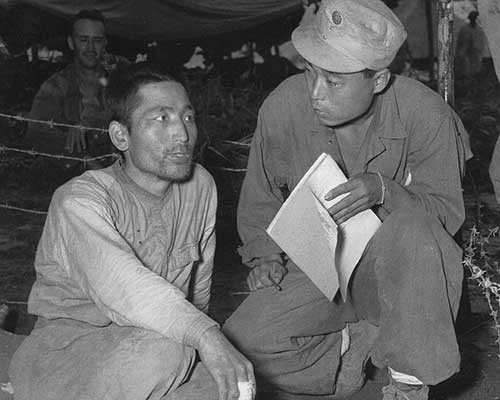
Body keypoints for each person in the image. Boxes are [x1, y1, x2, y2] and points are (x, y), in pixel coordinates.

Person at [222, 0, 471, 399]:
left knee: (412, 225)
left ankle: (409, 382)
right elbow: (261, 194)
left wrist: (386, 190)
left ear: (378, 80)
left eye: (334, 82)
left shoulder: (427, 116)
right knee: (238, 346)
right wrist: (266, 257)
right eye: (309, 72)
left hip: (393, 276)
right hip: (318, 271)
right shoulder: (284, 105)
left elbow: (443, 218)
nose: (316, 92)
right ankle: (354, 348)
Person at [9, 63, 255, 400]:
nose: (183, 134)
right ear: (121, 136)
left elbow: (199, 291)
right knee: (166, 354)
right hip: (67, 352)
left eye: (187, 117)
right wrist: (205, 336)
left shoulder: (200, 186)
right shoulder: (80, 201)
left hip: (157, 346)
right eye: (162, 119)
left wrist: (205, 347)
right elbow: (124, 286)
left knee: (230, 389)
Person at [25, 9, 114, 171]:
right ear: (71, 43)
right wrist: (83, 158)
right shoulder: (55, 86)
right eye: (83, 40)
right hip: (72, 178)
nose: (90, 48)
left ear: (105, 44)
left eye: (97, 40)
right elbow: (37, 131)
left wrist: (89, 124)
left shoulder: (117, 83)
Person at [456, 10, 486, 78]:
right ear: (470, 18)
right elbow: (460, 42)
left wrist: (479, 51)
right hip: (465, 52)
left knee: (476, 68)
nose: (473, 19)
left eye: (475, 18)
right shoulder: (464, 29)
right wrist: (460, 53)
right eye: (472, 18)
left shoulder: (479, 30)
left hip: (475, 52)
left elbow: (480, 42)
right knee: (466, 68)